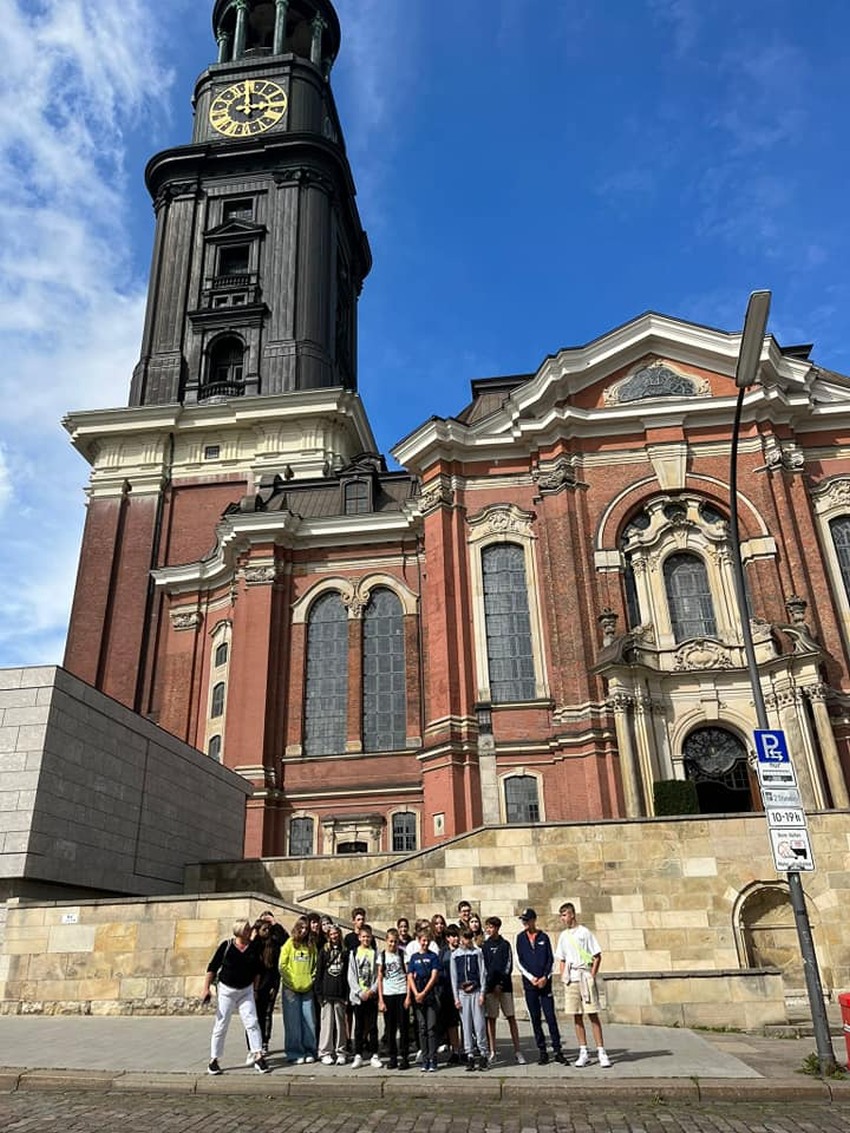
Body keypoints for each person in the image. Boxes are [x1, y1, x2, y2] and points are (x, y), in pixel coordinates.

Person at [202, 918, 271, 1075]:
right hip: (227, 990)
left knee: (252, 1022)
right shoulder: (227, 946)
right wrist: (206, 988)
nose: (250, 931)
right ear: (239, 931)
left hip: (246, 990)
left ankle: (258, 1055)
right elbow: (212, 967)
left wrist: (255, 989)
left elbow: (257, 970)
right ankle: (214, 1059)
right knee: (222, 1023)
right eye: (247, 929)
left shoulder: (252, 948)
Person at [555, 902, 612, 1068]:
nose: (562, 918)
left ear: (572, 914)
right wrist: (563, 976)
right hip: (571, 978)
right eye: (561, 915)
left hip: (585, 976)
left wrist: (591, 975)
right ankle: (583, 1050)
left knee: (592, 1013)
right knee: (576, 1015)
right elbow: (562, 958)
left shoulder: (584, 932)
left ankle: (601, 1051)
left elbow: (597, 955)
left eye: (564, 915)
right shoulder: (564, 936)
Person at [515, 907, 567, 1066]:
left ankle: (557, 1050)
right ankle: (542, 1051)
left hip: (545, 984)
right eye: (523, 920)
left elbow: (550, 960)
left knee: (550, 1017)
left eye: (527, 920)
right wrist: (531, 978)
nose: (525, 923)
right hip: (530, 984)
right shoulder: (520, 938)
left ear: (533, 920)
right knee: (535, 1018)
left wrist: (545, 977)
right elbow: (519, 961)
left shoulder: (544, 937)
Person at [481, 915, 525, 1065]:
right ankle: (493, 1051)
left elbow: (508, 965)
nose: (489, 930)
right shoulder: (484, 946)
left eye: (491, 927)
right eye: (487, 927)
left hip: (505, 987)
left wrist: (500, 983)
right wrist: (491, 985)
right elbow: (484, 967)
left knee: (511, 1017)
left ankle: (518, 1051)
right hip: (490, 989)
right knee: (491, 1019)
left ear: (497, 928)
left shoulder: (505, 944)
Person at [279, 916, 318, 1063]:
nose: (303, 931)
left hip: (307, 987)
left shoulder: (310, 945)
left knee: (309, 1021)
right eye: (301, 928)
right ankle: (294, 1053)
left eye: (306, 929)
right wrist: (291, 981)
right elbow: (282, 965)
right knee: (292, 1022)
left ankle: (310, 1050)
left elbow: (315, 965)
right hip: (291, 989)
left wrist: (311, 979)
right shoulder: (289, 944)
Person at [249, 912, 288, 1057]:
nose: (267, 930)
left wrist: (275, 922)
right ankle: (254, 1044)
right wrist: (253, 935)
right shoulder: (255, 943)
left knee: (266, 1013)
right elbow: (247, 953)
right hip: (254, 983)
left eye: (268, 927)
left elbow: (286, 940)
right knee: (253, 1014)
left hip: (271, 982)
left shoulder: (274, 941)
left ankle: (264, 1042)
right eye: (264, 927)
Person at [450, 926, 488, 1071]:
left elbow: (482, 973)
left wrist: (482, 993)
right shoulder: (455, 955)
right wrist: (456, 998)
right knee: (466, 1026)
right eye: (465, 938)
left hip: (476, 991)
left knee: (479, 1025)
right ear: (461, 939)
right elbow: (454, 978)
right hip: (462, 993)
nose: (468, 941)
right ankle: (469, 1054)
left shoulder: (477, 952)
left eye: (470, 938)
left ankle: (483, 1053)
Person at [348, 922, 382, 1068]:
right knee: (359, 1027)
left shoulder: (375, 953)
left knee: (373, 1026)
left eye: (368, 937)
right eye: (363, 937)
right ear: (359, 938)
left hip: (371, 995)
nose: (366, 939)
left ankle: (375, 1054)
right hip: (359, 996)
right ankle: (358, 1054)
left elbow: (379, 975)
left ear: (371, 937)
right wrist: (359, 992)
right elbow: (351, 975)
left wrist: (373, 990)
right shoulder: (354, 953)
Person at [407, 927, 440, 1073]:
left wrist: (424, 992)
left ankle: (433, 1058)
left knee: (431, 1028)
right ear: (419, 941)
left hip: (430, 995)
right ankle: (425, 1058)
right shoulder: (414, 957)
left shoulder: (433, 957)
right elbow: (410, 976)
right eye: (423, 940)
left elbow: (434, 976)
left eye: (427, 941)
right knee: (421, 1027)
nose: (425, 943)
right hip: (418, 997)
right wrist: (416, 993)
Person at [316, 923, 349, 1065]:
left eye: (336, 933)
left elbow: (347, 973)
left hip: (340, 992)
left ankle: (341, 1051)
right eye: (331, 934)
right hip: (326, 993)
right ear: (328, 936)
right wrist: (319, 994)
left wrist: (347, 994)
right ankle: (325, 1052)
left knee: (341, 1025)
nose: (334, 936)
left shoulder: (345, 951)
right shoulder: (324, 951)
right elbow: (319, 972)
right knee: (326, 1025)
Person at [377, 928, 410, 1069]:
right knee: (390, 1028)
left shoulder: (402, 954)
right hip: (388, 994)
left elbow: (408, 976)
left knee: (403, 1027)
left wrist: (408, 996)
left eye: (395, 942)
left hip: (401, 992)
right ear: (386, 941)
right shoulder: (382, 956)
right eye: (390, 941)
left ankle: (405, 1057)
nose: (393, 944)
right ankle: (393, 1057)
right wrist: (380, 1000)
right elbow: (379, 978)